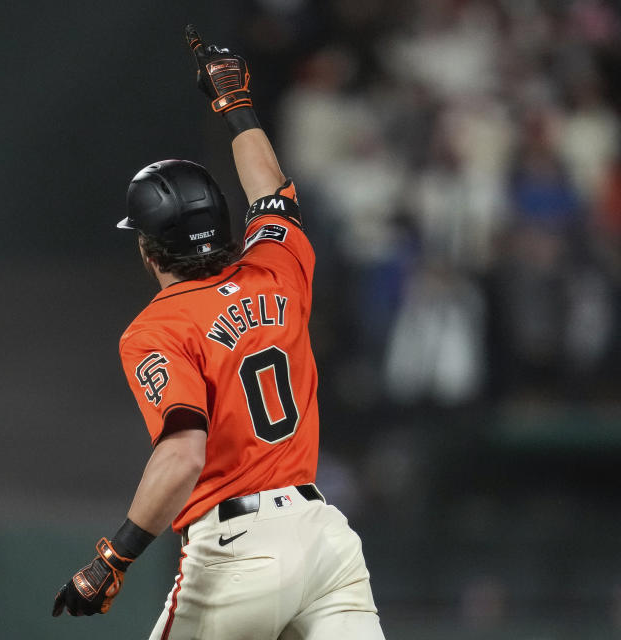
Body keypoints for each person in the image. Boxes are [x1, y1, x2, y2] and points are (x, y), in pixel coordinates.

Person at [51, 25, 385, 639]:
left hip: (239, 548)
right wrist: (234, 103)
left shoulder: (157, 329)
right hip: (326, 540)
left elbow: (182, 453)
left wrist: (113, 558)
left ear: (150, 252)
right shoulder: (279, 267)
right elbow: (273, 191)